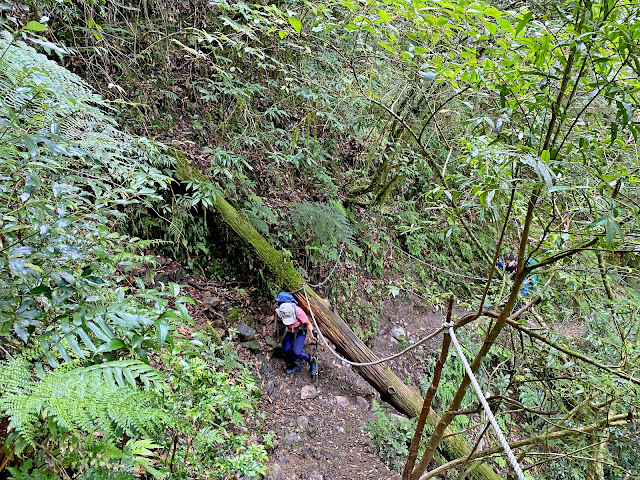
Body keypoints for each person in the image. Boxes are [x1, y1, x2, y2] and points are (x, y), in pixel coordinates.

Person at [275, 291, 317, 376]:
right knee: (286, 349)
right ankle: (296, 363)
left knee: (297, 351)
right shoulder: (280, 310)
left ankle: (311, 360)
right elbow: (276, 315)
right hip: (290, 330)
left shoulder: (298, 311)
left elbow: (308, 323)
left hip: (300, 330)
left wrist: (312, 333)